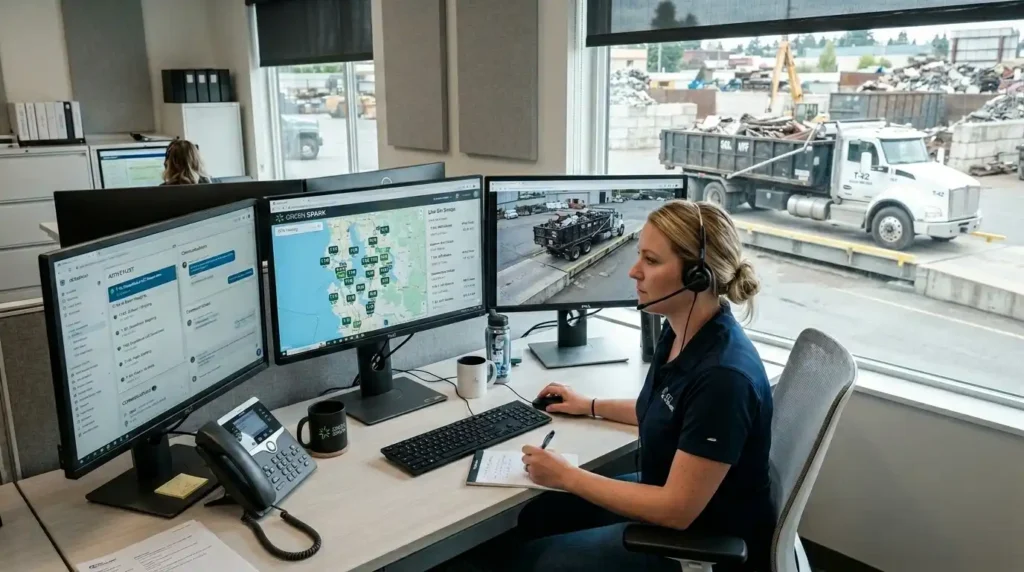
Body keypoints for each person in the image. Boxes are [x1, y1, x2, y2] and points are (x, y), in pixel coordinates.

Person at [508, 200, 775, 571]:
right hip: (669, 492)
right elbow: (665, 408)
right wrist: (589, 405)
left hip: (699, 542)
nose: (634, 272)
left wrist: (567, 476)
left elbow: (676, 510)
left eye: (651, 260)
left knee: (543, 563)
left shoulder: (723, 379)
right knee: (539, 516)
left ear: (697, 277)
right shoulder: (681, 330)